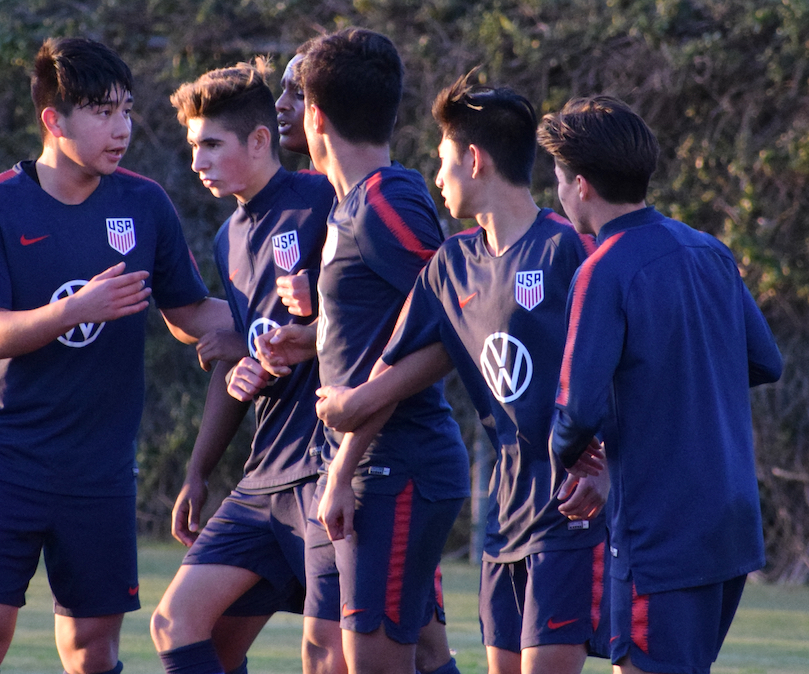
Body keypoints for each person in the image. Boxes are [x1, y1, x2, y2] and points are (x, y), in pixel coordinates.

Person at [0, 37, 232, 674]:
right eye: (103, 112)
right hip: (3, 458)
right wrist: (73, 310)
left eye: (126, 110)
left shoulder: (143, 203)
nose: (122, 128)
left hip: (98, 468)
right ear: (54, 119)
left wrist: (284, 322)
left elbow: (188, 313)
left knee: (91, 650)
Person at [313, 75, 612, 674]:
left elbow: (625, 368)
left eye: (443, 160)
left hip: (568, 507)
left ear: (474, 160)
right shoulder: (452, 265)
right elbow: (395, 368)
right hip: (503, 515)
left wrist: (608, 470)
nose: (438, 176)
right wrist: (343, 468)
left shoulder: (567, 250)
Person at [538, 96, 784, 674]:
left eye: (556, 179)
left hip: (659, 531)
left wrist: (571, 462)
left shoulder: (603, 270)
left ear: (580, 185)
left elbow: (575, 415)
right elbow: (764, 361)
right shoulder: (708, 251)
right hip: (729, 525)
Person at [257, 28, 469, 674]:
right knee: (421, 655)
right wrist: (312, 338)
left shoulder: (386, 200)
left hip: (397, 466)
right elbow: (390, 327)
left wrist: (348, 454)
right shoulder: (352, 205)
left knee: (371, 661)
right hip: (373, 466)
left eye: (298, 98)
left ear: (316, 115)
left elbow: (455, 322)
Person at [150, 60, 337, 674]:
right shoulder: (228, 238)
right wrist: (199, 471)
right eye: (192, 146)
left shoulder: (323, 199)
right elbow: (246, 359)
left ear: (259, 141)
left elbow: (386, 308)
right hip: (264, 477)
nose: (197, 161)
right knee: (179, 626)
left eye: (210, 144)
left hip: (329, 469)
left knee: (364, 655)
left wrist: (318, 314)